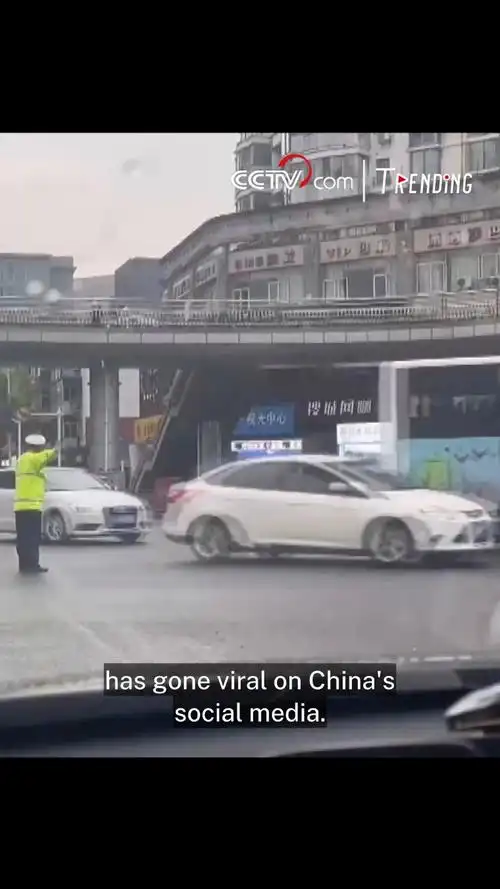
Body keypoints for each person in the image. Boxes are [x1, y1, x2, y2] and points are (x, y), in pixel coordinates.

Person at [14, 434, 58, 575]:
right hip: (31, 507)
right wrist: (55, 449)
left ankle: (24, 565)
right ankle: (32, 565)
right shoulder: (31, 458)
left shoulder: (23, 460)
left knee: (23, 538)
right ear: (39, 447)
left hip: (21, 507)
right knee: (32, 538)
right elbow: (44, 457)